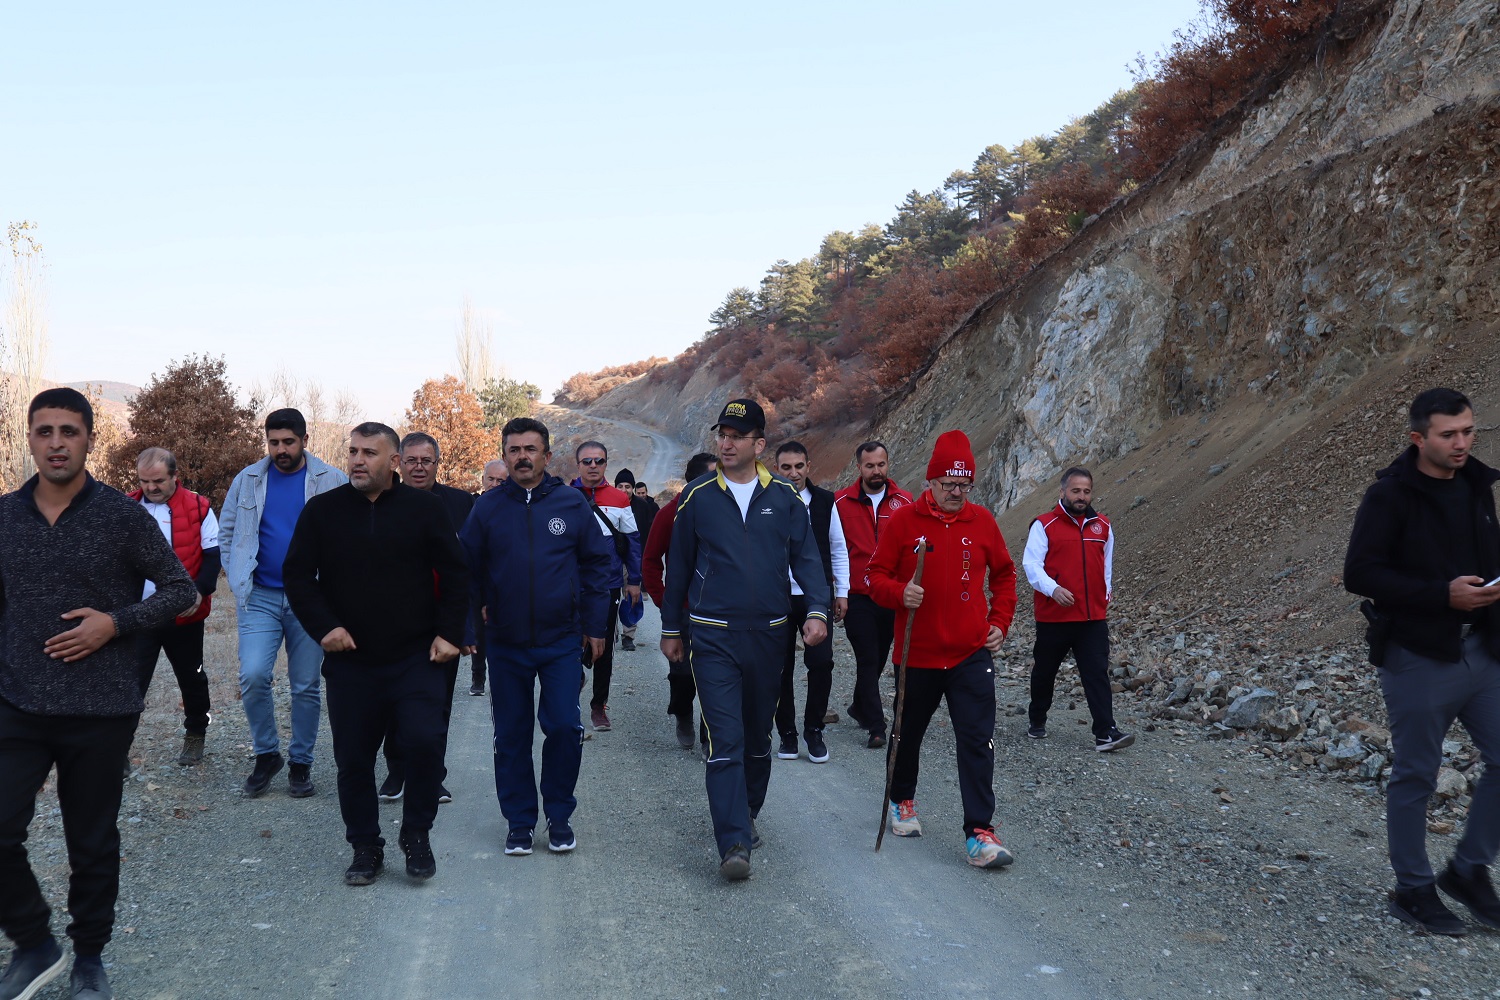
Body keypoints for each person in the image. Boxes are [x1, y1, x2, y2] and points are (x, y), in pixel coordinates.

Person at [0, 388, 197, 1000]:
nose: (56, 443)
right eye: (44, 432)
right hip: (17, 703)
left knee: (91, 842)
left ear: (89, 439)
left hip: (101, 708)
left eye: (68, 431)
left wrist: (116, 622)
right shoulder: (4, 516)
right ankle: (35, 943)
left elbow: (180, 590)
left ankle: (89, 958)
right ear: (29, 438)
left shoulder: (120, 515)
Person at [283, 423, 469, 886]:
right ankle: (365, 845)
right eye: (352, 451)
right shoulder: (322, 512)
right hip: (352, 663)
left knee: (425, 743)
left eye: (369, 452)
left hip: (415, 657)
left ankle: (416, 833)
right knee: (353, 759)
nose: (357, 460)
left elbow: (456, 571)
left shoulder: (425, 509)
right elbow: (298, 576)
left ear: (394, 462)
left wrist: (449, 633)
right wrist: (325, 628)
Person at [1345, 387, 1500, 936]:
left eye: (1468, 431)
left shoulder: (1479, 485)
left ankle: (1467, 871)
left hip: (1482, 649)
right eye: (1448, 434)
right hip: (1417, 656)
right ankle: (1412, 888)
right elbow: (1360, 573)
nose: (1462, 443)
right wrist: (1443, 595)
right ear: (1419, 438)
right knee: (1416, 775)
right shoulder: (1390, 496)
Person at [661, 399, 830, 881]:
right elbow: (677, 570)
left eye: (737, 436)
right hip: (712, 636)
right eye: (722, 434)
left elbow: (809, 561)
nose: (726, 442)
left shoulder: (784, 498)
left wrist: (815, 611)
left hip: (770, 636)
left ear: (759, 444)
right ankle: (733, 841)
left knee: (758, 738)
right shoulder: (696, 497)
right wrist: (672, 628)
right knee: (725, 738)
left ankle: (747, 813)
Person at [866, 430, 1018, 870]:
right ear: (931, 481)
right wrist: (899, 593)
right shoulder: (904, 522)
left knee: (977, 739)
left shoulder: (983, 522)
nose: (956, 492)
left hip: (971, 653)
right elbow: (874, 576)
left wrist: (999, 623)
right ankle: (902, 800)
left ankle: (979, 832)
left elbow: (1005, 577)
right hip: (918, 655)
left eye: (964, 484)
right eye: (948, 484)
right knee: (907, 734)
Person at [461, 417, 613, 856]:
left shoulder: (570, 504)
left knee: (564, 727)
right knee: (511, 735)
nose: (522, 457)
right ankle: (520, 822)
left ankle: (559, 816)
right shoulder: (487, 508)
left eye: (531, 449)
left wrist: (594, 624)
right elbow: (467, 569)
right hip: (506, 643)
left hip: (561, 640)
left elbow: (597, 565)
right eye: (514, 450)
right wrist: (471, 622)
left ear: (547, 455)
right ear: (505, 456)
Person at [220, 408, 347, 798]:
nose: (280, 449)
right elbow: (227, 532)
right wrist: (237, 570)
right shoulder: (248, 480)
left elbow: (349, 536)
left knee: (305, 685)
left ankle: (300, 763)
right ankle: (266, 754)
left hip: (311, 598)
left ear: (305, 440)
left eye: (288, 442)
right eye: (273, 442)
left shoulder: (331, 480)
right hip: (259, 595)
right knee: (253, 675)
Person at [374, 432, 476, 805]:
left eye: (426, 461)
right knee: (391, 702)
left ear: (437, 464)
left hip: (442, 621)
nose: (419, 467)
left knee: (438, 703)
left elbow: (469, 570)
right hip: (390, 622)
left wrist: (464, 627)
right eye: (412, 460)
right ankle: (397, 769)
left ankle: (433, 775)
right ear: (398, 461)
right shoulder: (379, 500)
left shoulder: (462, 504)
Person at [1023, 467, 1133, 752]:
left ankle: (1106, 733)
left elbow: (1106, 565)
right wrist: (1053, 589)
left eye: (1086, 491)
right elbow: (1031, 566)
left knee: (1096, 673)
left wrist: (1105, 595)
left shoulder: (1103, 526)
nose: (1081, 496)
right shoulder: (1044, 525)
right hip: (1054, 618)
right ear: (1062, 492)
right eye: (1075, 491)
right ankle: (1037, 718)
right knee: (1045, 673)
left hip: (1092, 618)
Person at [128, 447, 221, 766]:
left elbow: (212, 557)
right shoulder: (127, 507)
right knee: (129, 684)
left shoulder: (199, 507)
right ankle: (116, 751)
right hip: (140, 616)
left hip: (184, 615)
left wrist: (197, 594)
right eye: (144, 481)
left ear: (174, 477)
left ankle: (195, 735)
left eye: (158, 481)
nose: (150, 488)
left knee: (192, 679)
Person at [772, 441, 849, 763]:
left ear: (808, 466)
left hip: (816, 595)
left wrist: (842, 592)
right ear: (777, 469)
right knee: (779, 668)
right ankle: (787, 735)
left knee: (821, 662)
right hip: (775, 597)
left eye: (799, 466)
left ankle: (814, 730)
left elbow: (838, 548)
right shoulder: (768, 501)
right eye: (786, 468)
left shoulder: (825, 502)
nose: (793, 473)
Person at [834, 441, 914, 747]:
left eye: (881, 464)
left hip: (893, 595)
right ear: (859, 468)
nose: (876, 471)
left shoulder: (905, 501)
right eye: (870, 466)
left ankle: (859, 706)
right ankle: (878, 727)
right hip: (858, 595)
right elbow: (833, 549)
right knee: (868, 659)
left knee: (883, 659)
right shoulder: (840, 503)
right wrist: (836, 592)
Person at [643, 452, 717, 749]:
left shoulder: (726, 511)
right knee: (683, 673)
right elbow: (650, 560)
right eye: (715, 475)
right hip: (683, 610)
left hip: (718, 610)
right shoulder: (669, 513)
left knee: (715, 676)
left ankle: (709, 736)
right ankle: (683, 712)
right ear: (697, 480)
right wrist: (664, 600)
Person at [570, 442, 642, 730]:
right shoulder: (564, 497)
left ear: (605, 464)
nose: (592, 465)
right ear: (578, 465)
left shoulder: (619, 499)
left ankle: (598, 706)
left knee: (604, 650)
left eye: (598, 461)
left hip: (609, 584)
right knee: (570, 645)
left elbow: (633, 541)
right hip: (571, 586)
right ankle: (569, 699)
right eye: (586, 461)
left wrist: (634, 580)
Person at [470, 459, 509, 696]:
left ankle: (503, 677)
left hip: (504, 579)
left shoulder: (514, 507)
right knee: (477, 630)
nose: (494, 484)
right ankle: (477, 677)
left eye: (500, 481)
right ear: (483, 479)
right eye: (491, 479)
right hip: (478, 577)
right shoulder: (473, 504)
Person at [614, 468, 658, 652]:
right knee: (609, 598)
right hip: (611, 558)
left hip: (633, 559)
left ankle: (628, 635)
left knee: (632, 596)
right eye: (620, 486)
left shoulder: (642, 507)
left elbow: (648, 535)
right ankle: (610, 632)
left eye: (628, 486)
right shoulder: (608, 503)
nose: (624, 490)